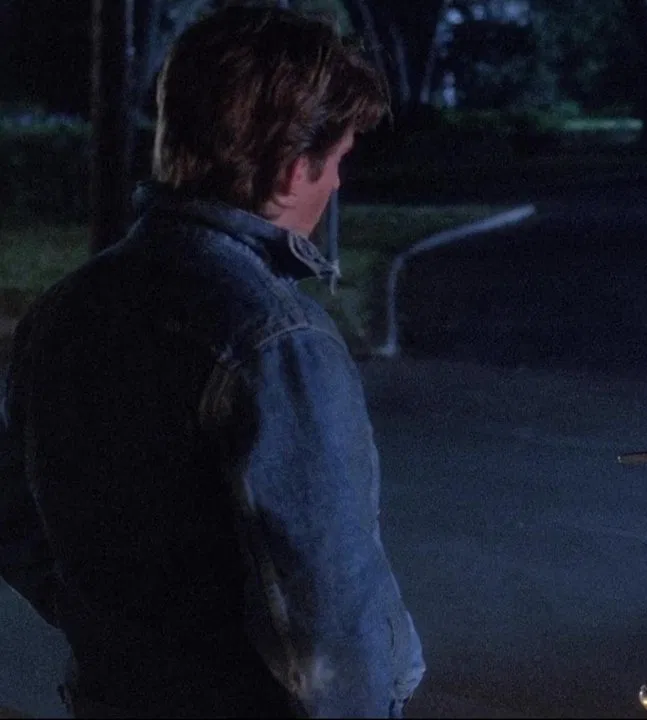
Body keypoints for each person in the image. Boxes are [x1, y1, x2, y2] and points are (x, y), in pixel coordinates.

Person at [0, 6, 423, 717]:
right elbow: (326, 623)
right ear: (292, 171)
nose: (337, 186)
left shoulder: (61, 311)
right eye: (337, 162)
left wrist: (110, 630)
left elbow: (15, 513)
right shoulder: (278, 340)